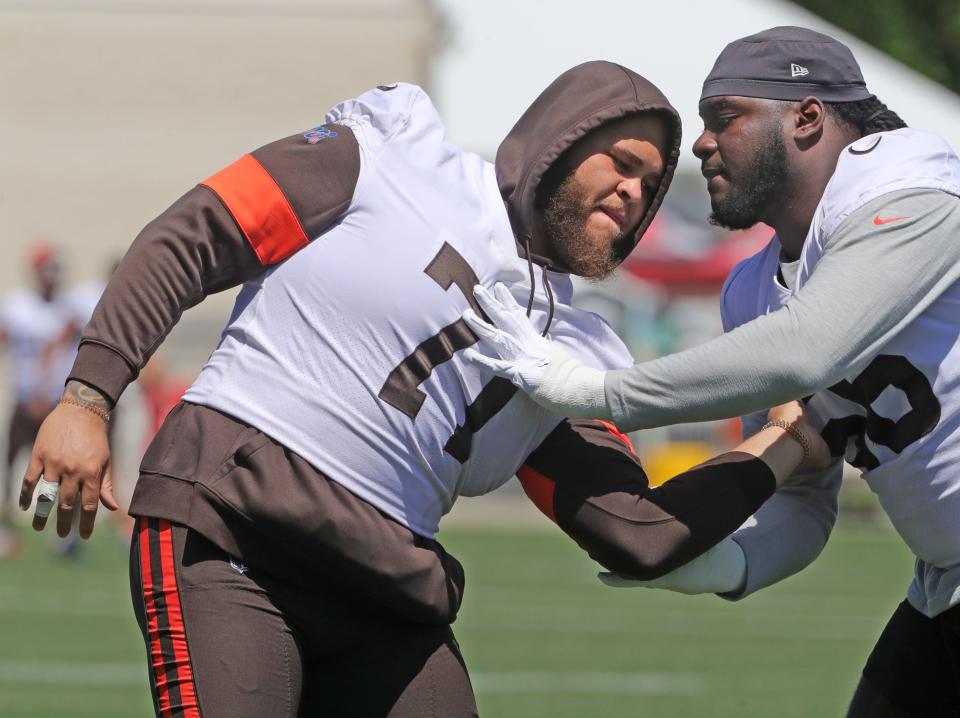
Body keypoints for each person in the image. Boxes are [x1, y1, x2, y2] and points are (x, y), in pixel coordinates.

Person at [20, 62, 828, 717]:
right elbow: (197, 234)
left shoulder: (574, 351)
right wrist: (88, 396)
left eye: (650, 188)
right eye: (620, 162)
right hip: (236, 529)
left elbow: (638, 532)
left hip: (387, 584)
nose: (633, 192)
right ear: (560, 138)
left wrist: (792, 439)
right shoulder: (391, 153)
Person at [464, 27, 960, 717]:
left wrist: (596, 392)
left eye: (725, 117)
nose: (700, 143)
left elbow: (808, 350)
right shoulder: (755, 289)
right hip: (942, 581)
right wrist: (723, 562)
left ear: (807, 117)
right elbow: (801, 496)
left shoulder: (916, 188)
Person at [0, 244, 77, 557]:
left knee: (60, 470)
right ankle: (6, 530)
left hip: (55, 404)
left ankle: (62, 534)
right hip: (24, 398)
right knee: (10, 465)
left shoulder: (68, 309)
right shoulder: (16, 306)